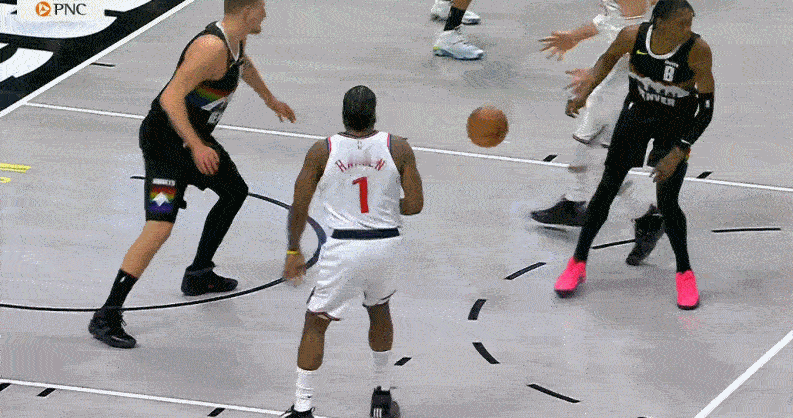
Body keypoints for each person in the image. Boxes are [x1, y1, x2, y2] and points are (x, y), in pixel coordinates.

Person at [88, 0, 296, 349]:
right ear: (247, 10)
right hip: (166, 145)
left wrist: (270, 100)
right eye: (261, 7)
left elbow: (243, 66)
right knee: (159, 228)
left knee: (234, 192)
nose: (265, 14)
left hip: (192, 139)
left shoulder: (236, 41)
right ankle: (106, 315)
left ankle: (199, 273)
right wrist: (197, 146)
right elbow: (170, 98)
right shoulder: (210, 47)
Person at [554, 0, 714, 310]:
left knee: (668, 201)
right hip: (638, 115)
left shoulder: (697, 50)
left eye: (690, 23)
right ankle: (577, 263)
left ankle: (685, 273)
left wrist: (679, 151)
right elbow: (606, 59)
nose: (688, 29)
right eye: (682, 23)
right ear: (660, 23)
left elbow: (706, 110)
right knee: (606, 188)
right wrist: (586, 91)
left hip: (675, 125)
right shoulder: (632, 36)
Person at [279, 86, 423, 418]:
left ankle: (302, 408)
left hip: (345, 247)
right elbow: (415, 205)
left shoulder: (322, 151)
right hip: (386, 244)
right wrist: (384, 205)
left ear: (343, 115)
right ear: (374, 114)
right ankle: (382, 397)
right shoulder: (398, 147)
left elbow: (299, 205)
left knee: (316, 322)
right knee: (380, 309)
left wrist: (293, 249)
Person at [532, 0, 665, 266]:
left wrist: (594, 74)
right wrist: (574, 37)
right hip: (615, 84)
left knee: (604, 163)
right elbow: (610, 19)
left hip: (627, 87)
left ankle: (646, 218)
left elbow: (636, 41)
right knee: (586, 147)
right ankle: (574, 203)